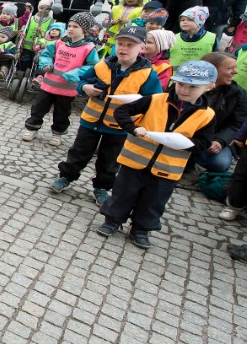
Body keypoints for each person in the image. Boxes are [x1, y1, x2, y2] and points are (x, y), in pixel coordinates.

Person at [96, 60, 217, 249]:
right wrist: (133, 128)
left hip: (167, 167)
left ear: (209, 87)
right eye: (181, 84)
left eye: (193, 86)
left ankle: (141, 229)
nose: (184, 90)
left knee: (154, 200)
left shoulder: (207, 115)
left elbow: (204, 142)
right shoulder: (156, 99)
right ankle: (113, 220)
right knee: (123, 193)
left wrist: (185, 144)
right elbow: (122, 111)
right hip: (135, 160)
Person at [49, 26, 162, 206]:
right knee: (78, 152)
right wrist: (84, 88)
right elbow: (83, 80)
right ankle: (66, 177)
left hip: (119, 127)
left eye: (130, 45)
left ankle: (101, 187)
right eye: (120, 44)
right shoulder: (102, 66)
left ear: (141, 48)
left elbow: (155, 101)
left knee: (110, 160)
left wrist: (137, 106)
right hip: (91, 121)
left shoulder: (147, 74)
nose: (123, 48)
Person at [23, 14, 100, 145]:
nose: (70, 29)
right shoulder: (59, 43)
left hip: (68, 89)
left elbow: (93, 66)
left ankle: (57, 133)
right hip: (48, 85)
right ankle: (32, 128)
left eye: (75, 27)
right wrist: (46, 64)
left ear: (85, 30)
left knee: (62, 113)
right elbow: (46, 54)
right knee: (38, 108)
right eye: (69, 26)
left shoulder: (88, 48)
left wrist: (77, 72)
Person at [195, 52, 247, 173]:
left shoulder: (238, 94)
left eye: (235, 68)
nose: (235, 72)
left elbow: (238, 124)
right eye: (230, 68)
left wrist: (220, 141)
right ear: (213, 69)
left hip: (214, 137)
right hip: (188, 135)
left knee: (220, 163)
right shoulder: (190, 87)